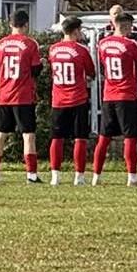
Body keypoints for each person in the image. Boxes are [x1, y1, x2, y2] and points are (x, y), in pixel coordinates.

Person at [0, 10, 43, 185]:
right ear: (26, 24)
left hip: (3, 95)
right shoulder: (30, 44)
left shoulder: (0, 44)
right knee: (28, 136)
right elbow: (36, 70)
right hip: (23, 96)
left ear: (10, 25)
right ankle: (31, 175)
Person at [93, 11, 137, 186]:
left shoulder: (102, 44)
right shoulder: (130, 44)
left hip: (109, 94)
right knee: (130, 137)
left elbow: (103, 66)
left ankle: (96, 175)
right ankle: (132, 176)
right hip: (126, 95)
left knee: (104, 137)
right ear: (126, 26)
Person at [46, 18, 95, 187]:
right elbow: (91, 72)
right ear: (75, 31)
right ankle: (79, 176)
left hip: (58, 99)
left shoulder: (53, 49)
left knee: (57, 138)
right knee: (80, 138)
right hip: (77, 98)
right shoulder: (81, 50)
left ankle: (55, 176)